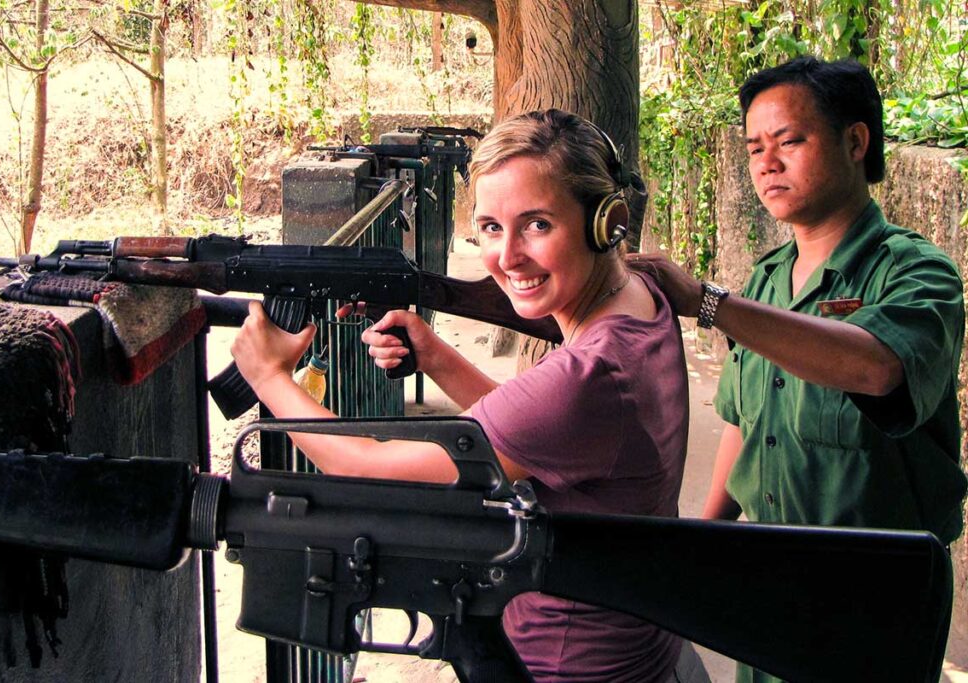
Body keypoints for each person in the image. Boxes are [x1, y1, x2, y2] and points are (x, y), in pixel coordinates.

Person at [231, 109, 710, 683]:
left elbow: (368, 468)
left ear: (607, 221)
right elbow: (531, 439)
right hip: (641, 643)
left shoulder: (588, 377)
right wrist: (433, 354)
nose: (507, 257)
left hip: (566, 666)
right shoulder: (642, 295)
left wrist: (268, 377)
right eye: (489, 227)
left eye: (537, 224)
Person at [629, 56, 968, 683]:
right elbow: (744, 422)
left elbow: (874, 367)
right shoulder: (764, 280)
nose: (766, 163)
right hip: (772, 581)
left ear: (856, 141)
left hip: (876, 597)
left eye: (789, 142)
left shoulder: (919, 275)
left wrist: (707, 303)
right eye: (755, 147)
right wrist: (700, 544)